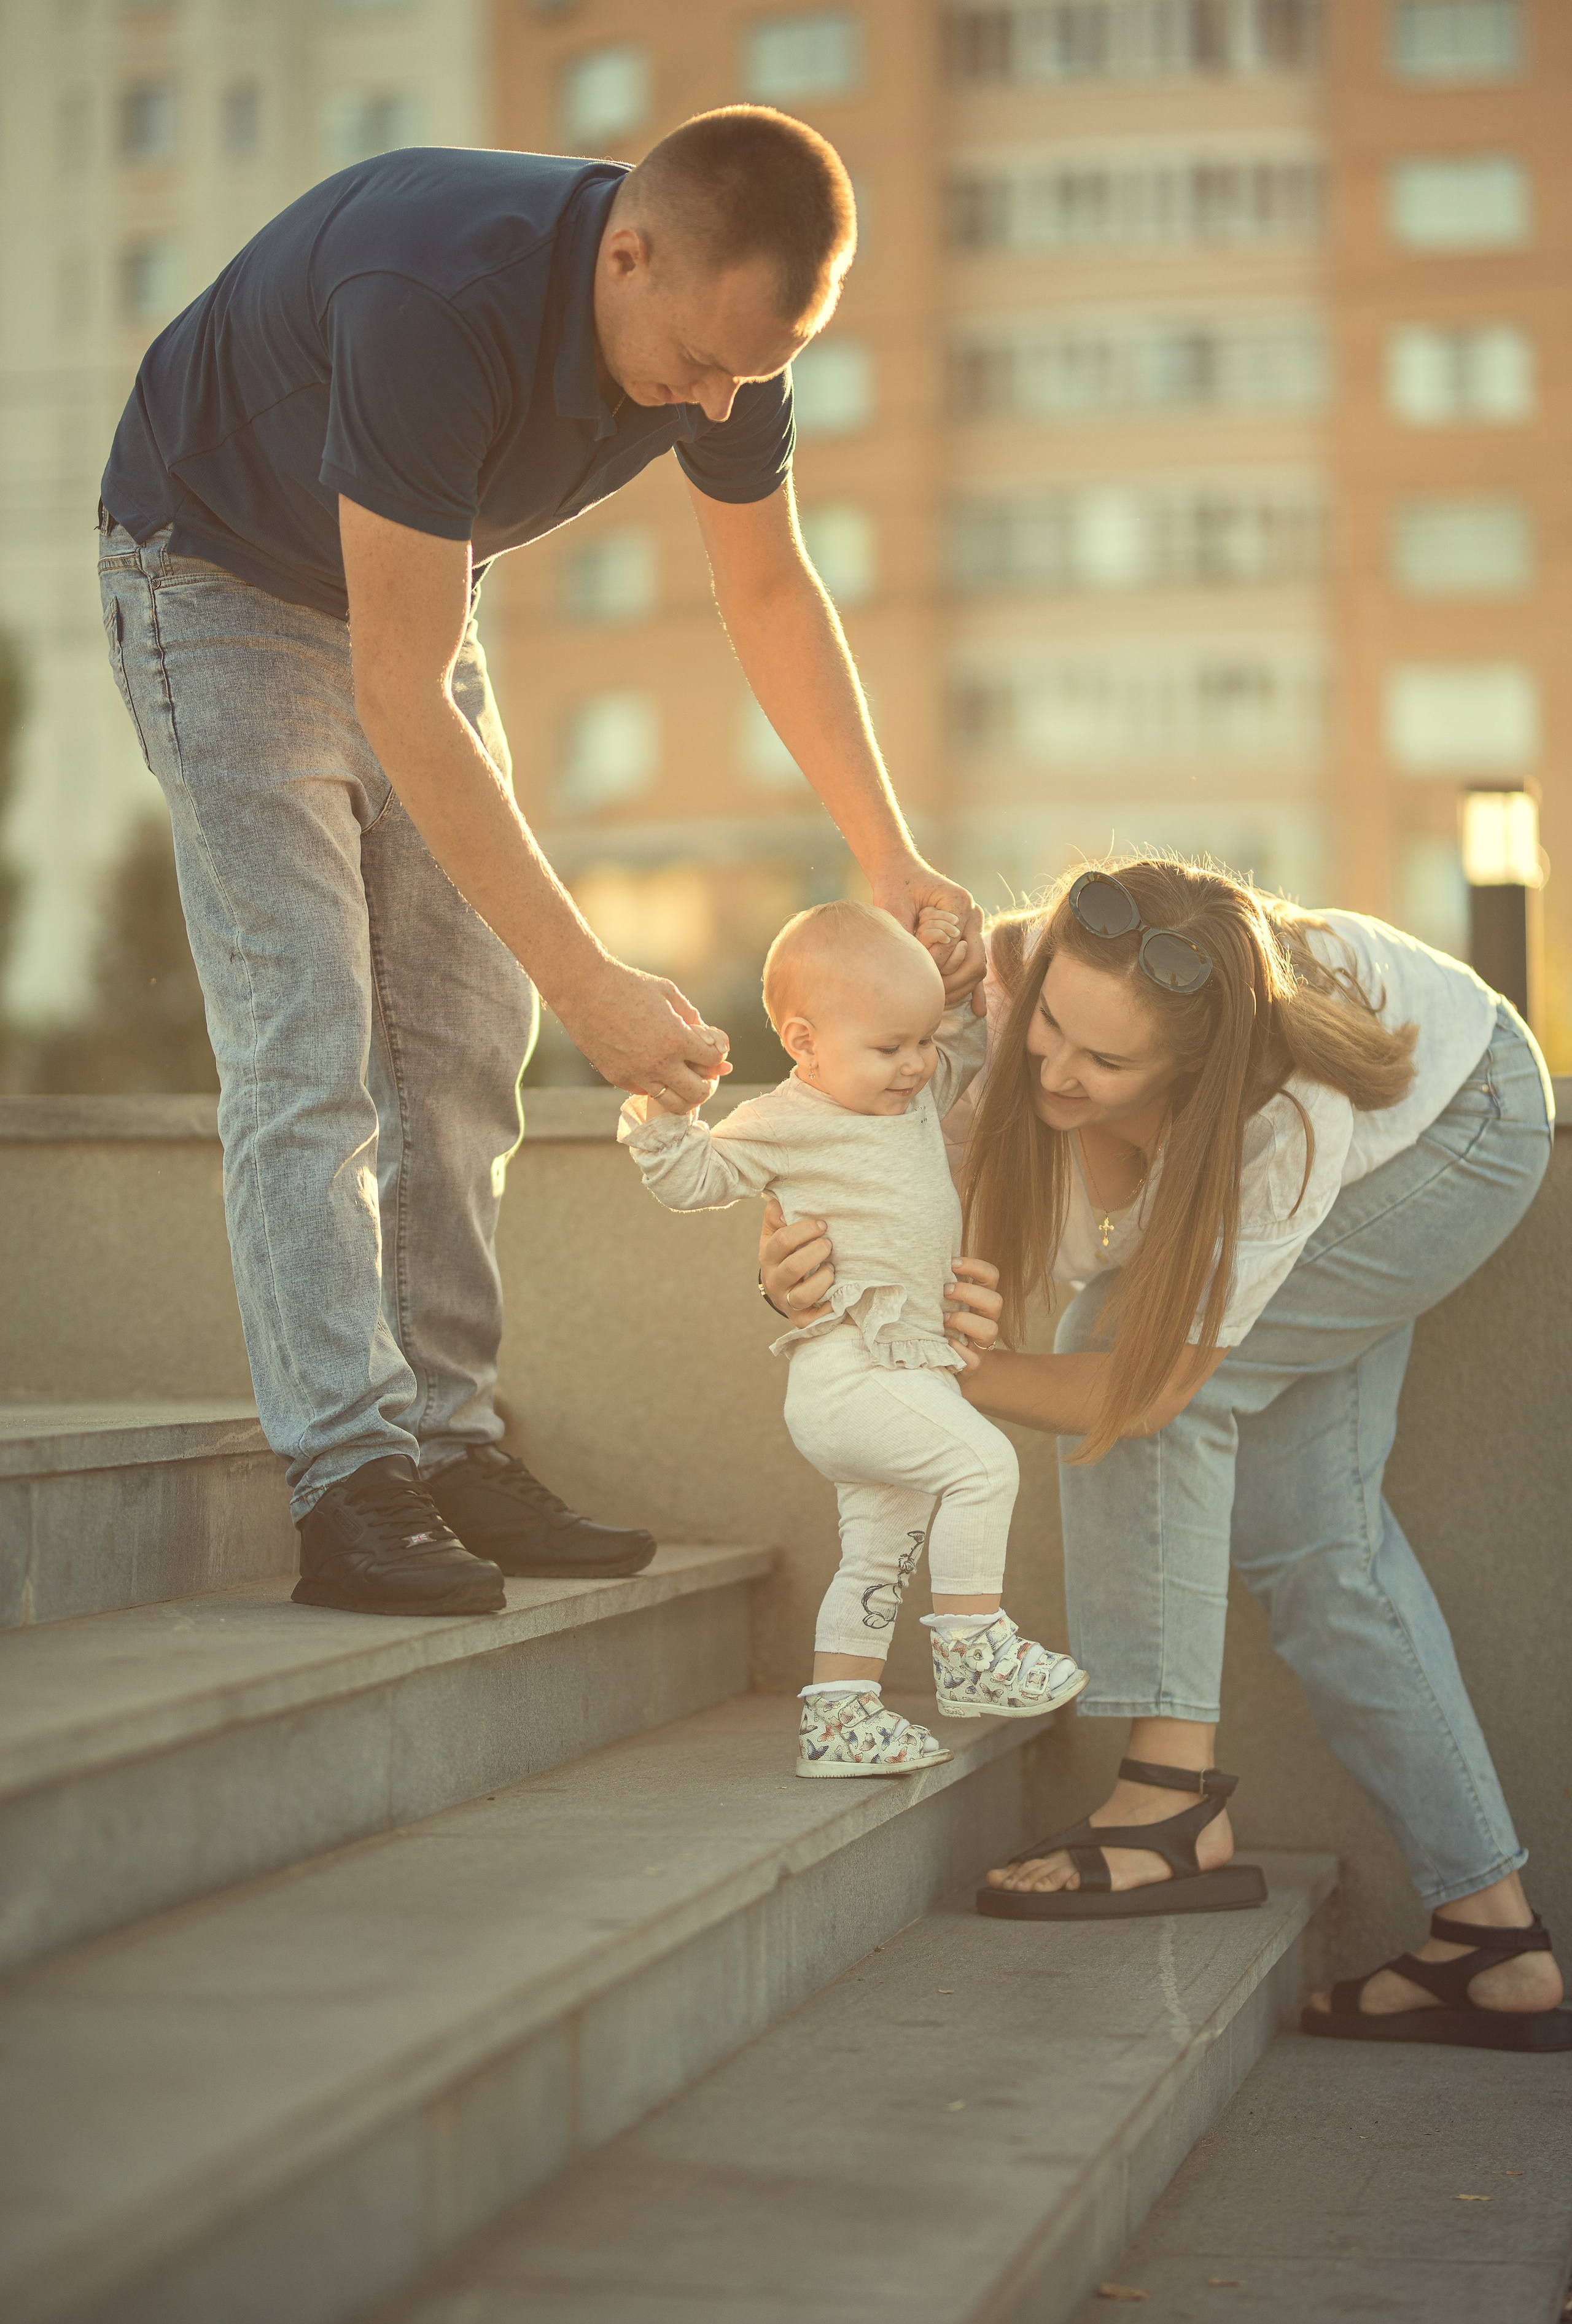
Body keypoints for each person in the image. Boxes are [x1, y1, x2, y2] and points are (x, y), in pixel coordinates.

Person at [96, 106, 983, 1615]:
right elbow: (394, 689)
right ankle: (348, 1477)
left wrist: (884, 850)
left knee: (458, 1037)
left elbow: (767, 589)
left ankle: (448, 1444)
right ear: (627, 253)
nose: (711, 403)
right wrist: (591, 982)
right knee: (307, 1034)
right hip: (218, 580)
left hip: (412, 609)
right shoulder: (434, 297)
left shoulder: (728, 352)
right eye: (697, 364)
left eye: (747, 377)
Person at [763, 857, 1569, 2052]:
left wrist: (946, 1369)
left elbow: (1143, 1392)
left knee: (1133, 1362)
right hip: (1366, 1086)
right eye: (1046, 1026)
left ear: (1189, 1082)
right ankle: (1489, 1941)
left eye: (1100, 1065)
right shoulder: (1013, 984)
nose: (1049, 1070)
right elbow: (842, 1136)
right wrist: (792, 1270)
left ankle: (1164, 1803)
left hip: (1455, 1123)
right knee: (1320, 1549)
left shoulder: (1281, 1134)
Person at [621, 902, 1086, 1777]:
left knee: (877, 1554)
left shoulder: (906, 1092)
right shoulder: (785, 1119)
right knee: (983, 1467)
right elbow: (694, 1177)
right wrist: (662, 1106)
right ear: (804, 1044)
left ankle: (840, 1720)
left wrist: (948, 981)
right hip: (849, 1376)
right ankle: (974, 1648)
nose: (916, 1066)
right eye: (890, 1048)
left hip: (904, 1377)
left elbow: (971, 1047)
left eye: (919, 1044)